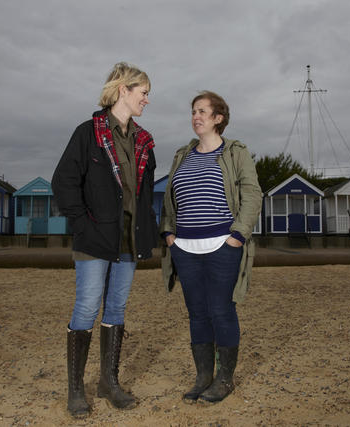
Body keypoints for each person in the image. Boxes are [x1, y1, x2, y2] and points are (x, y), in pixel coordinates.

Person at [52, 62, 157, 418]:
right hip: (93, 240)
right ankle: (76, 389)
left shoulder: (143, 141)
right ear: (123, 90)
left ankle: (108, 383)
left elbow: (143, 196)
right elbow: (63, 182)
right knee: (86, 307)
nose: (147, 98)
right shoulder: (88, 133)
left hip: (128, 240)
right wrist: (83, 225)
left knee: (116, 309)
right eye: (142, 91)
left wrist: (149, 231)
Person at [160, 91, 262, 403]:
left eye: (203, 111)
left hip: (223, 246)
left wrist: (236, 238)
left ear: (218, 118)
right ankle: (203, 375)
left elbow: (253, 195)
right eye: (193, 111)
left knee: (221, 309)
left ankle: (225, 378)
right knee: (197, 313)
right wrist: (169, 236)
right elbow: (169, 201)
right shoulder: (182, 155)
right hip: (185, 248)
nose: (196, 117)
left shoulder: (235, 152)